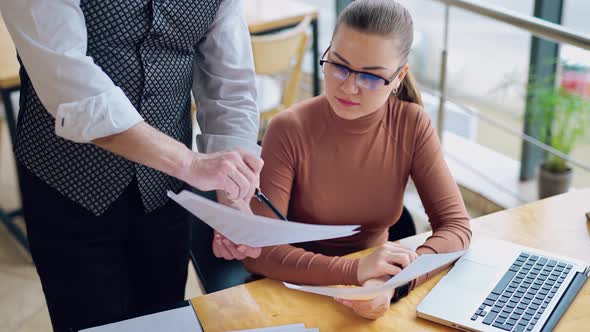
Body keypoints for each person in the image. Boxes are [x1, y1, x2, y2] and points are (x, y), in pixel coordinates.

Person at [0, 0, 263, 330]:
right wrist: (190, 162)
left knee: (162, 318)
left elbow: (230, 86)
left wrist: (233, 193)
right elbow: (72, 89)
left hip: (166, 193)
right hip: (68, 186)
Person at [242, 0, 472, 320]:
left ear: (398, 77)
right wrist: (355, 271)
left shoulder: (412, 124)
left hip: (374, 294)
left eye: (371, 76)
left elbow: (456, 228)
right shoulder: (288, 129)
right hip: (291, 293)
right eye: (339, 65)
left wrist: (392, 284)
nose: (348, 86)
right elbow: (259, 251)